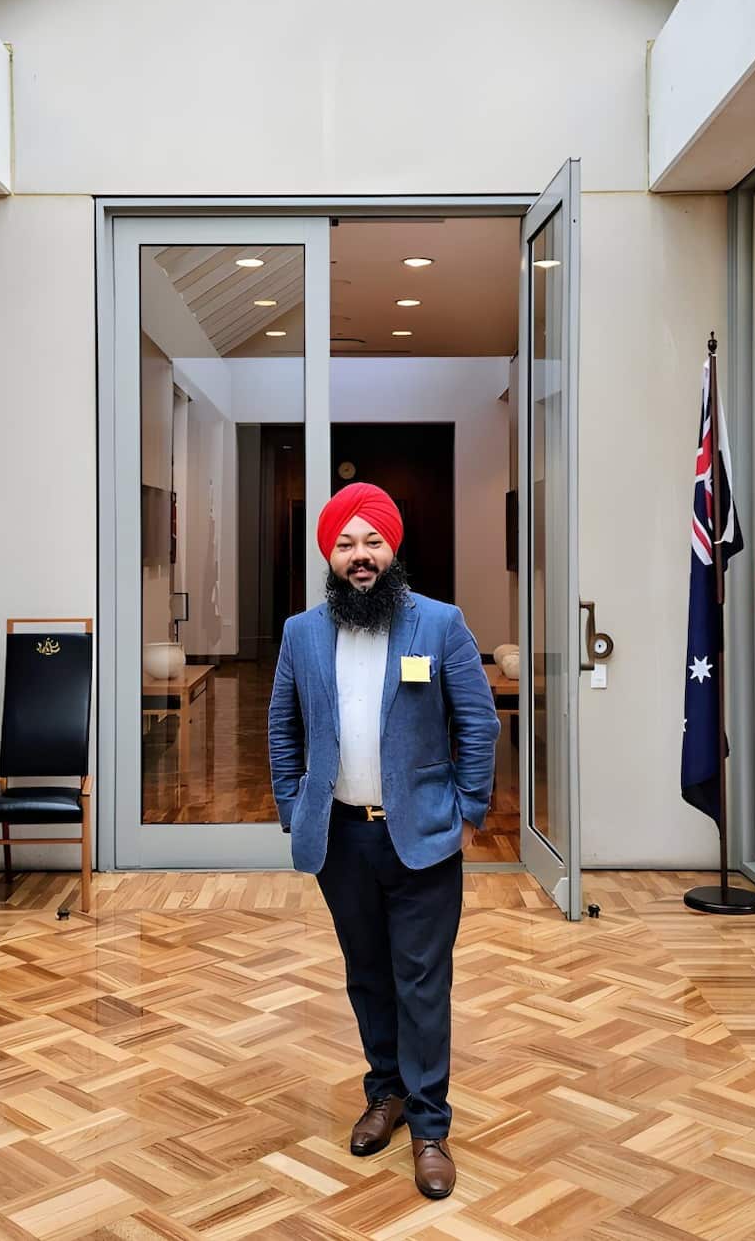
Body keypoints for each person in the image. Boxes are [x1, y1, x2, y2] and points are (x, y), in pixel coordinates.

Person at [267, 481, 499, 1200]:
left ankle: (430, 1126)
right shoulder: (302, 633)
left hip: (424, 839)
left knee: (422, 982)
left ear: (393, 548)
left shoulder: (440, 624)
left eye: (372, 541)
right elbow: (282, 729)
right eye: (345, 543)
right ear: (329, 556)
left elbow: (479, 724)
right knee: (367, 974)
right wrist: (291, 808)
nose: (359, 556)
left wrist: (467, 812)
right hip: (342, 840)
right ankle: (386, 1094)